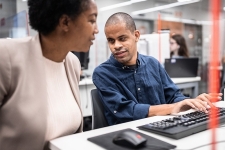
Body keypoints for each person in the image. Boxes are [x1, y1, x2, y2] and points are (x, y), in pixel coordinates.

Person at [0, 0, 98, 150]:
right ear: (65, 22)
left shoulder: (72, 63)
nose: (96, 29)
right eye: (92, 20)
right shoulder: (6, 57)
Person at [92, 12, 221, 126]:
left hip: (162, 128)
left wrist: (191, 102)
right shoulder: (103, 74)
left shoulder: (153, 64)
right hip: (127, 137)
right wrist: (172, 108)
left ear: (136, 36)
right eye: (111, 41)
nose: (116, 45)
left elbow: (173, 96)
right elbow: (126, 110)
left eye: (122, 38)